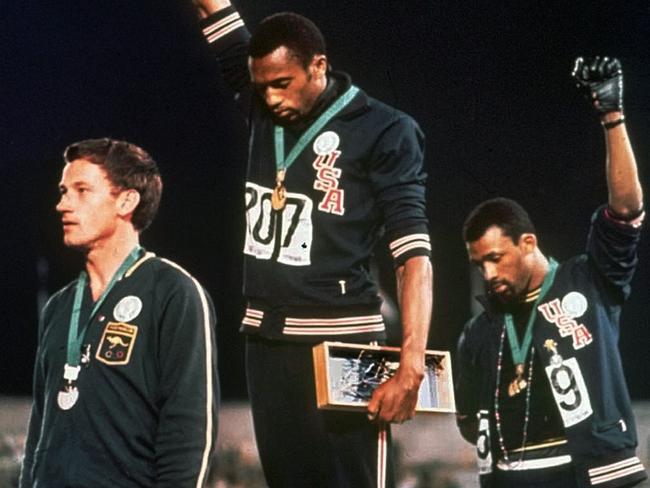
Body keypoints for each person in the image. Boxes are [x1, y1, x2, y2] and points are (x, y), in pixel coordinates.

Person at [190, 1, 433, 487]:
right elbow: (211, 6)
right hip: (266, 338)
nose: (272, 97)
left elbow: (412, 255)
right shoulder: (260, 102)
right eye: (262, 86)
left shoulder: (384, 129)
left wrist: (411, 364)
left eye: (284, 83)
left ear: (318, 66)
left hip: (344, 340)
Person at [455, 56, 647, 487]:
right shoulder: (478, 333)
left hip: (595, 474)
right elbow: (467, 421)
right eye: (478, 264)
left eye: (495, 258)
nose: (488, 275)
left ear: (528, 243)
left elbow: (627, 210)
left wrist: (612, 117)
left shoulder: (589, 281)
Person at [20, 139, 219, 488]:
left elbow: (189, 433)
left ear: (126, 201)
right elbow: (39, 427)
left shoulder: (174, 293)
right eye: (64, 191)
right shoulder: (59, 306)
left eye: (82, 191)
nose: (62, 205)